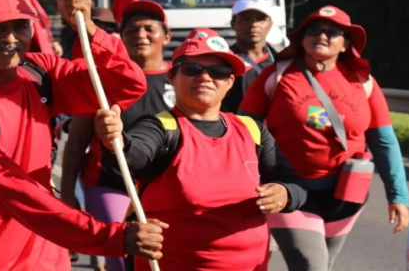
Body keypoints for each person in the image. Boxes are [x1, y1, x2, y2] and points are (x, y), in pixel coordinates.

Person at [0, 0, 166, 270]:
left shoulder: (39, 71)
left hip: (44, 255)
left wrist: (86, 25)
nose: (11, 38)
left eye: (20, 27)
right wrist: (106, 236)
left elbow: (127, 84)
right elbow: (10, 186)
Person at [94, 29, 307, 270]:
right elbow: (133, 153)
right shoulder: (163, 127)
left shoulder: (252, 131)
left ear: (229, 82)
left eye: (218, 72)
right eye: (193, 69)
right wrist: (117, 139)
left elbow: (296, 186)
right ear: (172, 77)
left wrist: (285, 193)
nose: (205, 77)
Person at [239, 5, 409, 271]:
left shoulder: (363, 82)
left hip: (347, 193)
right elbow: (243, 133)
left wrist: (398, 196)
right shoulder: (275, 76)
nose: (322, 36)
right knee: (312, 266)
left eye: (332, 32)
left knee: (322, 266)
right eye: (314, 30)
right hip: (289, 190)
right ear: (302, 37)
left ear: (345, 44)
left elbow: (384, 141)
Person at [59, 0, 175, 271]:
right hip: (109, 184)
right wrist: (67, 193)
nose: (141, 35)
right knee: (122, 260)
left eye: (149, 28)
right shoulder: (102, 80)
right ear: (120, 38)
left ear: (166, 36)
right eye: (132, 30)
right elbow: (77, 138)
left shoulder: (185, 76)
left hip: (166, 189)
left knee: (164, 259)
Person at [222, 0, 277, 113]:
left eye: (261, 19)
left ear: (270, 24)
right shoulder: (223, 62)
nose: (254, 25)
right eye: (246, 19)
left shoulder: (282, 60)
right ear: (233, 24)